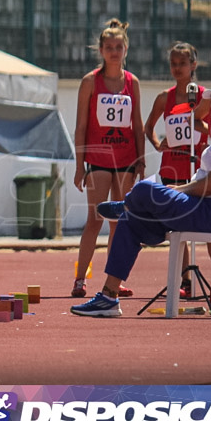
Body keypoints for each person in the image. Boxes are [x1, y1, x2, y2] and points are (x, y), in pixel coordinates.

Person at [72, 76, 211, 317]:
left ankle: (126, 204)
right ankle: (108, 297)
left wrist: (177, 190)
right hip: (202, 207)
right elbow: (208, 183)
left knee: (146, 190)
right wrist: (179, 189)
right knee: (130, 220)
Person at [71, 19, 145, 299]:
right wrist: (79, 166)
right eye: (109, 47)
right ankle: (80, 279)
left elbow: (137, 125)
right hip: (98, 160)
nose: (114, 51)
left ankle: (113, 281)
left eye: (119, 47)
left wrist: (141, 159)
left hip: (125, 159)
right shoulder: (90, 82)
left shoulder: (132, 82)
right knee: (95, 219)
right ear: (100, 50)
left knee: (120, 221)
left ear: (126, 49)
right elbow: (80, 126)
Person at [143, 42, 211, 290]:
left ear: (193, 65)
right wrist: (158, 144)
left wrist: (194, 123)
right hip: (172, 168)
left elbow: (209, 129)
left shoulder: (205, 97)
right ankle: (185, 280)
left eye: (183, 63)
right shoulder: (163, 97)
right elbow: (148, 127)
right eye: (173, 63)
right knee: (176, 229)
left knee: (209, 229)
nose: (177, 68)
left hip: (197, 167)